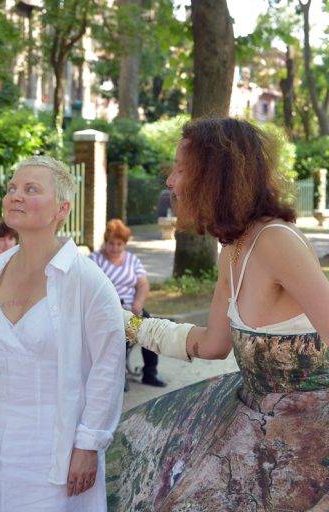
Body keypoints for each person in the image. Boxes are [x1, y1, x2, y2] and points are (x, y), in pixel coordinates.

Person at [108, 118, 329, 511]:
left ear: (215, 177)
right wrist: (127, 324)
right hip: (259, 432)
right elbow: (212, 344)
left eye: (181, 169)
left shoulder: (277, 240)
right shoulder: (233, 248)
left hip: (308, 450)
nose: (170, 181)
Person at [0, 156, 125, 512]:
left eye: (31, 189)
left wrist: (88, 444)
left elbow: (108, 366)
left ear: (62, 209)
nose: (15, 196)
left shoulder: (87, 281)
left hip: (55, 452)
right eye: (12, 188)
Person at [90, 219, 166, 388]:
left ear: (125, 244)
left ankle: (150, 373)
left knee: (149, 331)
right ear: (105, 242)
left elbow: (143, 284)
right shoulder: (95, 260)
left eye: (119, 244)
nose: (115, 248)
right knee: (119, 335)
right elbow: (88, 288)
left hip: (132, 311)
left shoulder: (132, 260)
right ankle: (118, 378)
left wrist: (138, 304)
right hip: (105, 312)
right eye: (111, 243)